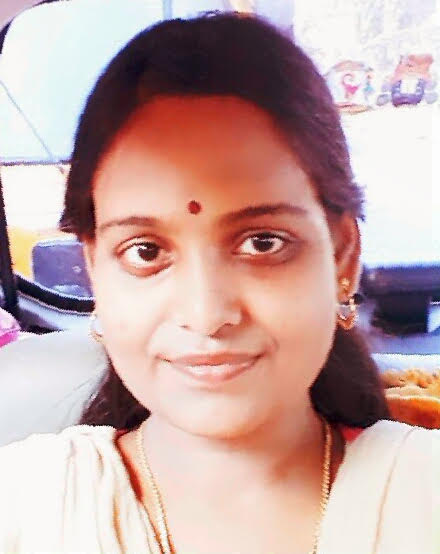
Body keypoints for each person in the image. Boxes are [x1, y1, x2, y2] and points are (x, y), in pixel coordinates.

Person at [0, 12, 438, 554]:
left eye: (263, 243)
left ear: (343, 256)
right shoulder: (24, 506)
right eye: (146, 252)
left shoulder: (425, 494)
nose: (206, 314)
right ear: (95, 271)